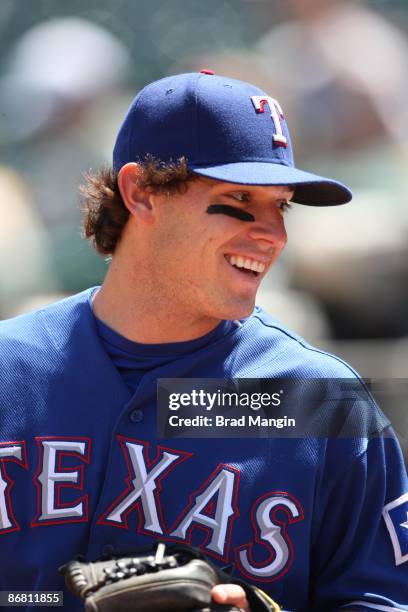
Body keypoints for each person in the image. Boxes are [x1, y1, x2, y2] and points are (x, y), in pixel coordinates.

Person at [0, 71, 406, 611]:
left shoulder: (318, 403)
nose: (273, 234)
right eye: (239, 197)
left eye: (280, 205)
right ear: (140, 192)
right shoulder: (10, 370)